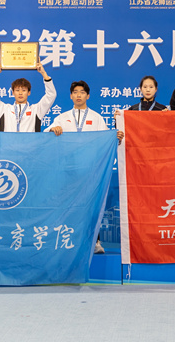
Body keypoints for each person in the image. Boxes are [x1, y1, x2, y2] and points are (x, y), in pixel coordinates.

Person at [46, 80, 123, 254]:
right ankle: (66, 240)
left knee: (92, 206)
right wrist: (53, 129)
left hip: (90, 170)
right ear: (71, 96)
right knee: (68, 206)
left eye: (82, 92)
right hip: (68, 170)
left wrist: (115, 137)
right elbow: (47, 132)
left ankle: (95, 241)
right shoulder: (62, 117)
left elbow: (106, 138)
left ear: (87, 96)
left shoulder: (96, 118)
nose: (78, 95)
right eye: (75, 92)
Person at [0, 63, 56, 132]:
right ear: (13, 93)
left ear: (29, 93)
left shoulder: (36, 110)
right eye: (17, 90)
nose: (20, 93)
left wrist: (44, 74)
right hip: (8, 142)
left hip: (30, 142)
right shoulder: (4, 109)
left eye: (24, 90)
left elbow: (51, 95)